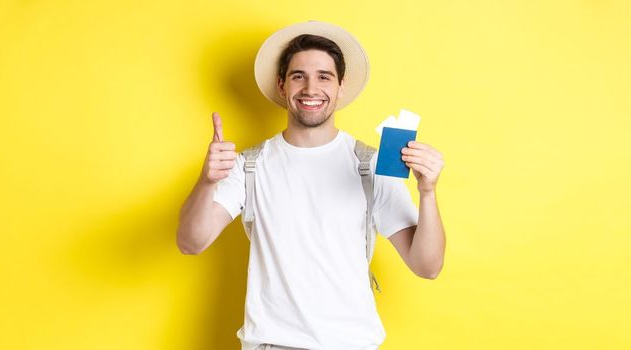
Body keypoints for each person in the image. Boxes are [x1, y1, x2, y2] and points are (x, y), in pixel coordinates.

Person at [177, 21, 446, 350]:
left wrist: (428, 192)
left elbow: (427, 266)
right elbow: (191, 242)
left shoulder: (370, 164)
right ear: (282, 85)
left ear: (340, 86)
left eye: (324, 76)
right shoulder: (248, 165)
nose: (310, 88)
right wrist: (207, 183)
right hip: (271, 345)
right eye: (298, 76)